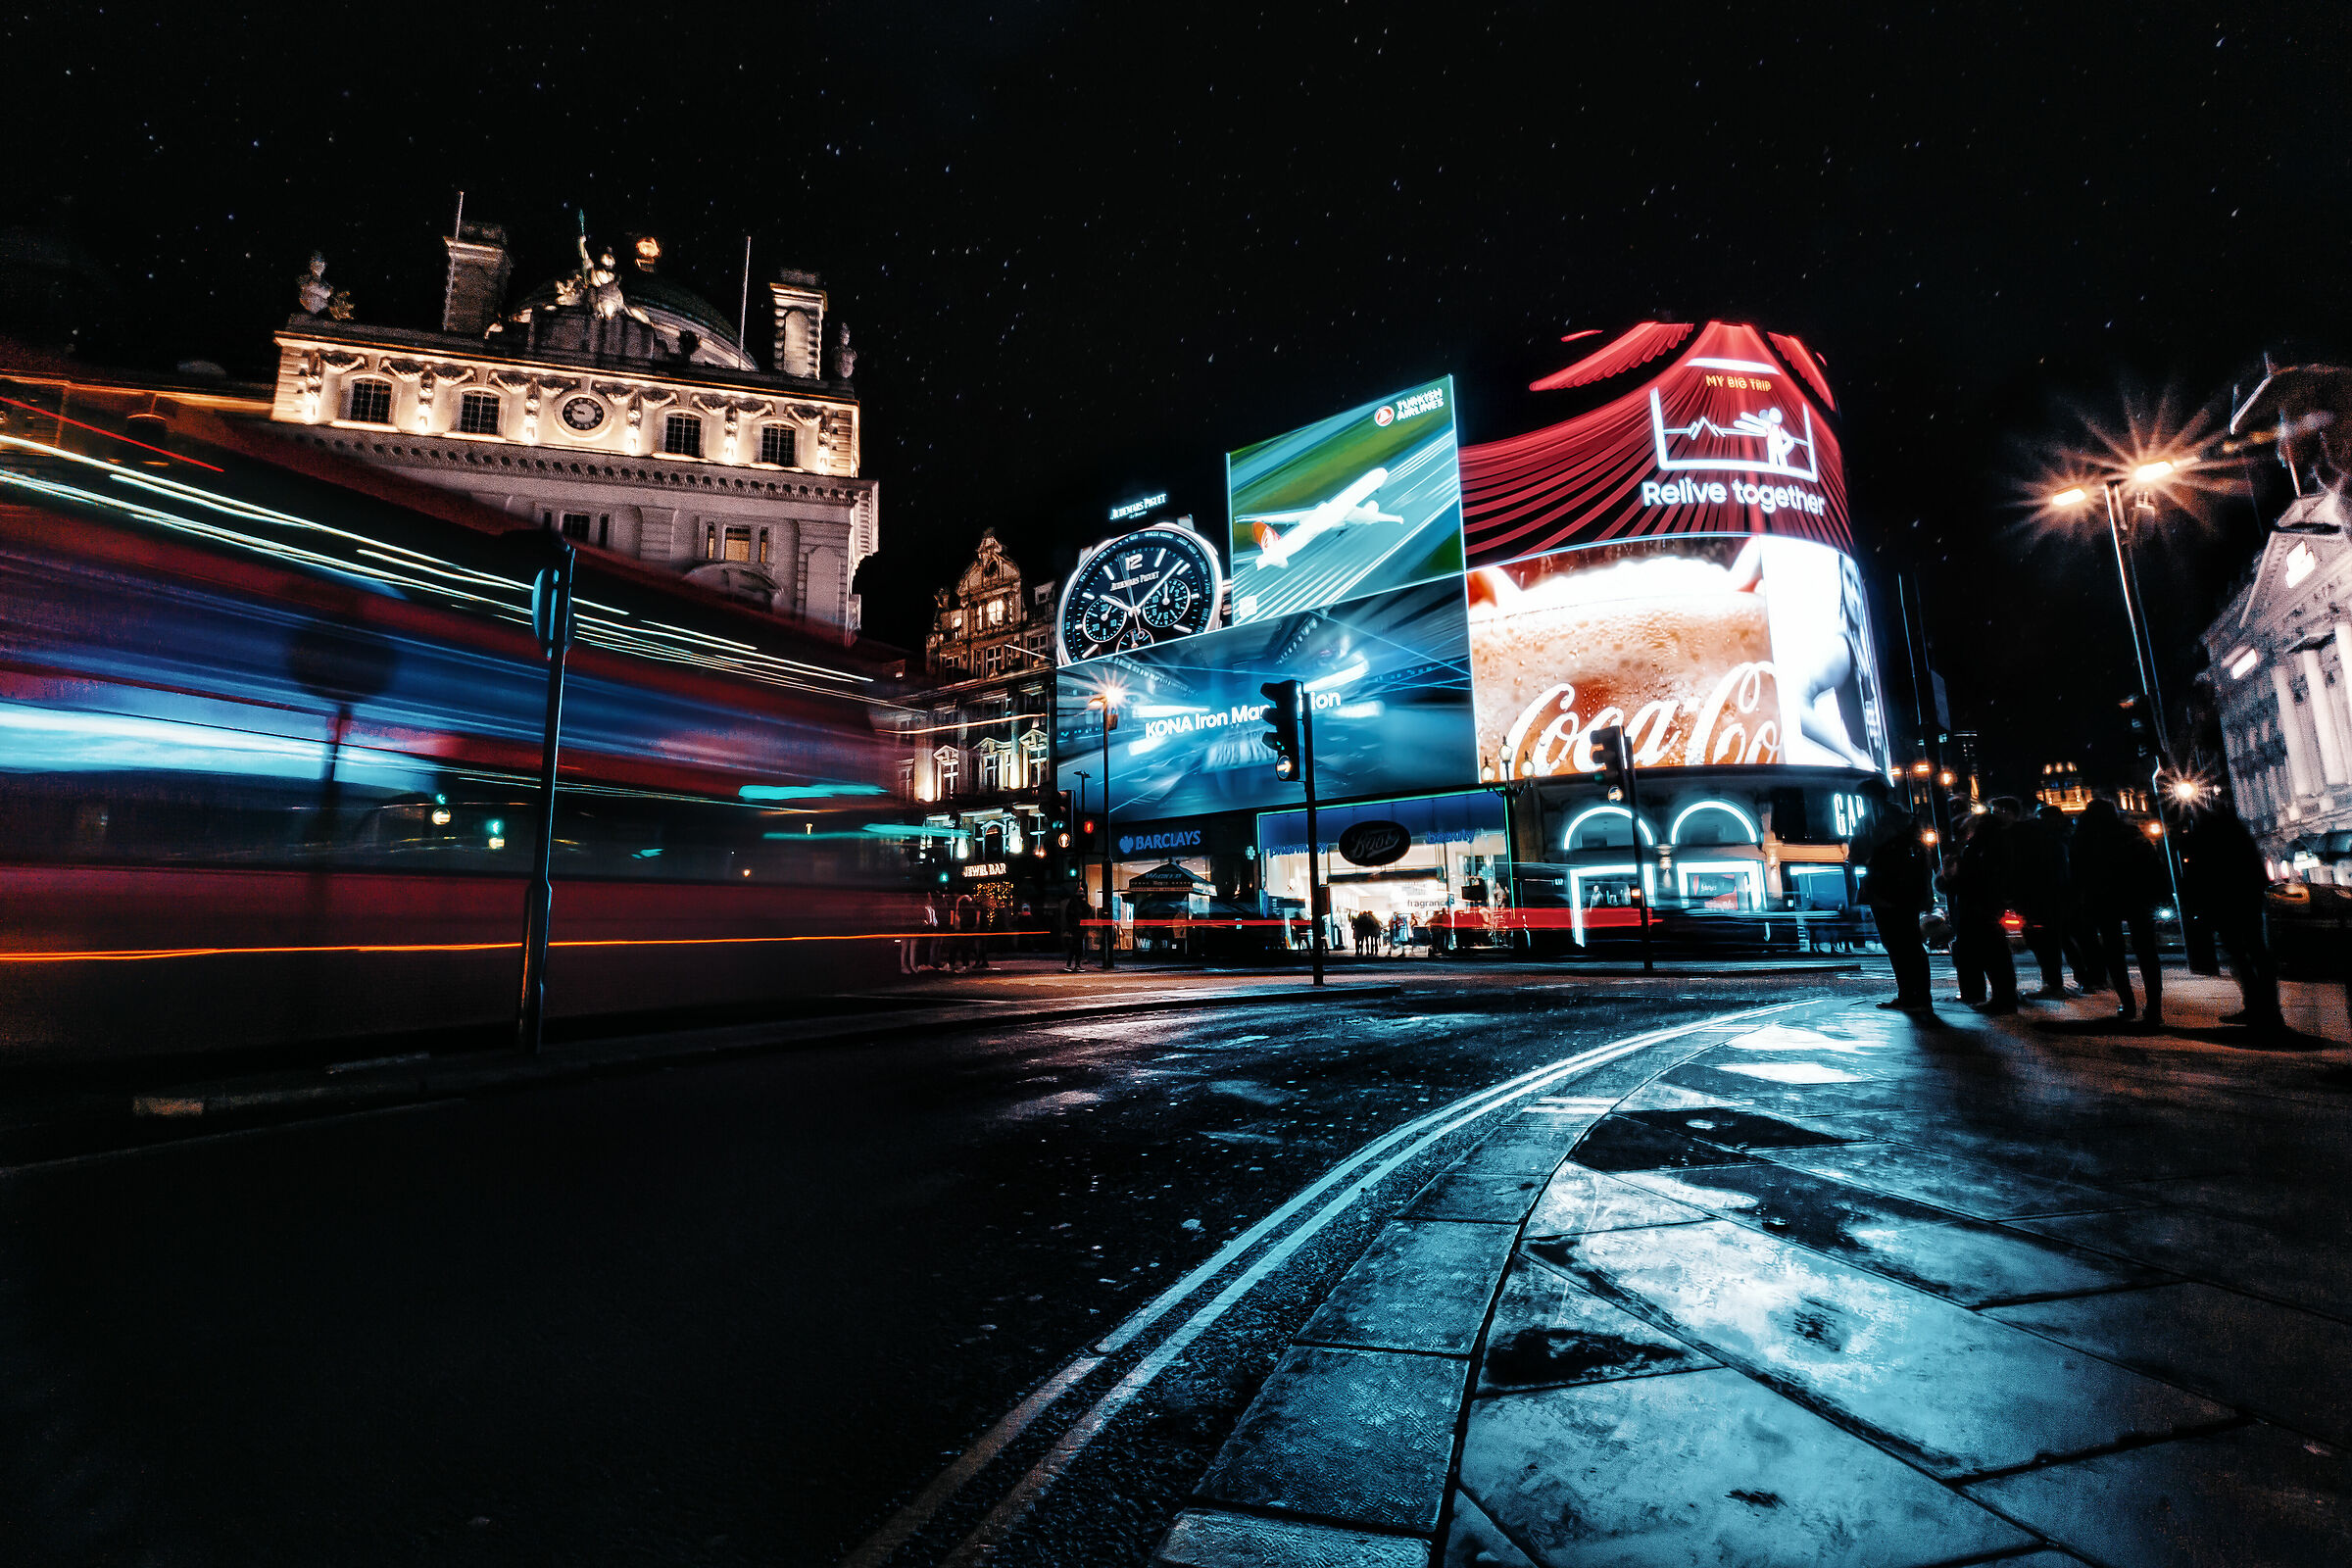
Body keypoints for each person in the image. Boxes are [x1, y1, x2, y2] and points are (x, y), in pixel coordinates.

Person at [2180, 800, 2282, 1030]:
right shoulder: (2237, 832)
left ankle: (2256, 1006)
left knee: (2240, 956)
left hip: (2224, 902)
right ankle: (2269, 1009)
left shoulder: (2205, 835)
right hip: (2247, 898)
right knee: (2257, 953)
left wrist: (2197, 902)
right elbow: (2254, 868)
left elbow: (2198, 871)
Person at [2073, 797, 2167, 1025]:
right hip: (2136, 897)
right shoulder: (2132, 834)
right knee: (2147, 951)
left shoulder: (2085, 837)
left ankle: (2128, 1003)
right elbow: (2153, 866)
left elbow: (2076, 872)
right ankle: (2154, 1007)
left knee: (2113, 952)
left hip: (2104, 900)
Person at [1856, 778, 1934, 1011]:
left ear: (1869, 799)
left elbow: (1858, 853)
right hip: (1909, 891)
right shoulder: (1909, 821)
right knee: (1912, 945)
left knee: (1896, 946)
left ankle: (1908, 994)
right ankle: (1922, 997)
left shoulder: (1871, 822)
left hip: (1883, 891)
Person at [1944, 802, 2019, 1013]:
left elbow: (1968, 880)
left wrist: (1949, 877)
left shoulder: (1978, 849)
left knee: (1990, 954)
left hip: (1976, 907)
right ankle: (2003, 997)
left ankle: (1999, 999)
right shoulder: (1999, 844)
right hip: (1988, 905)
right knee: (1995, 954)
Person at [1061, 890, 1092, 972]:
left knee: (1074, 947)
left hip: (1075, 928)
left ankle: (1070, 965)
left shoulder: (1072, 903)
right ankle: (1075, 965)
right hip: (1078, 928)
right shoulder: (1078, 904)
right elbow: (1089, 910)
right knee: (1077, 947)